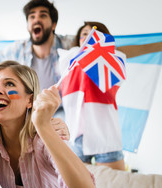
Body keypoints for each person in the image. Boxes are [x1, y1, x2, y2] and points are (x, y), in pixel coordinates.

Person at [59, 21, 162, 170]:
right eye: (84, 34)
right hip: (76, 137)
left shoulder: (112, 59)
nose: (88, 37)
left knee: (115, 187)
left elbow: (139, 49)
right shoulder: (67, 58)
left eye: (94, 34)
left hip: (105, 134)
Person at [0, 0, 73, 92]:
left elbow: (87, 41)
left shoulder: (68, 44)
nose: (36, 19)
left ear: (53, 25)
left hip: (63, 111)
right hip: (32, 111)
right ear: (28, 26)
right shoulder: (19, 49)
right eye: (32, 17)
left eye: (42, 15)